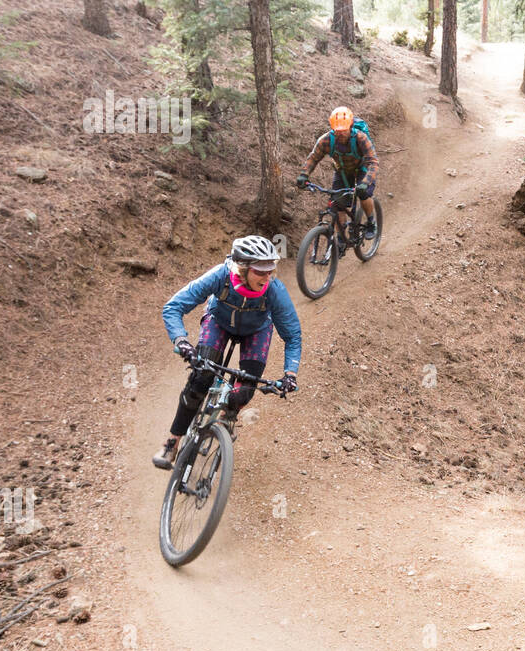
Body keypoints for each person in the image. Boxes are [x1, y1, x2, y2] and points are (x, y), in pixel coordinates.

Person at [153, 235, 302, 469]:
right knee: (200, 380)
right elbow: (173, 307)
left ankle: (227, 417)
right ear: (242, 269)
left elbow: (292, 335)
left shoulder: (274, 290)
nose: (267, 277)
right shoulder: (220, 276)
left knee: (243, 392)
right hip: (219, 322)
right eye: (260, 271)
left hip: (257, 330)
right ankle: (173, 441)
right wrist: (181, 340)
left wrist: (290, 374)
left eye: (270, 270)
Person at [296, 106, 379, 256]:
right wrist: (304, 175)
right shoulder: (326, 140)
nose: (340, 133)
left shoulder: (360, 138)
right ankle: (341, 238)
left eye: (343, 129)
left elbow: (373, 161)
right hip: (342, 171)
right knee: (338, 204)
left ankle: (371, 223)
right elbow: (313, 158)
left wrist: (365, 182)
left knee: (364, 193)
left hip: (362, 169)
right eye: (337, 130)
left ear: (350, 126)